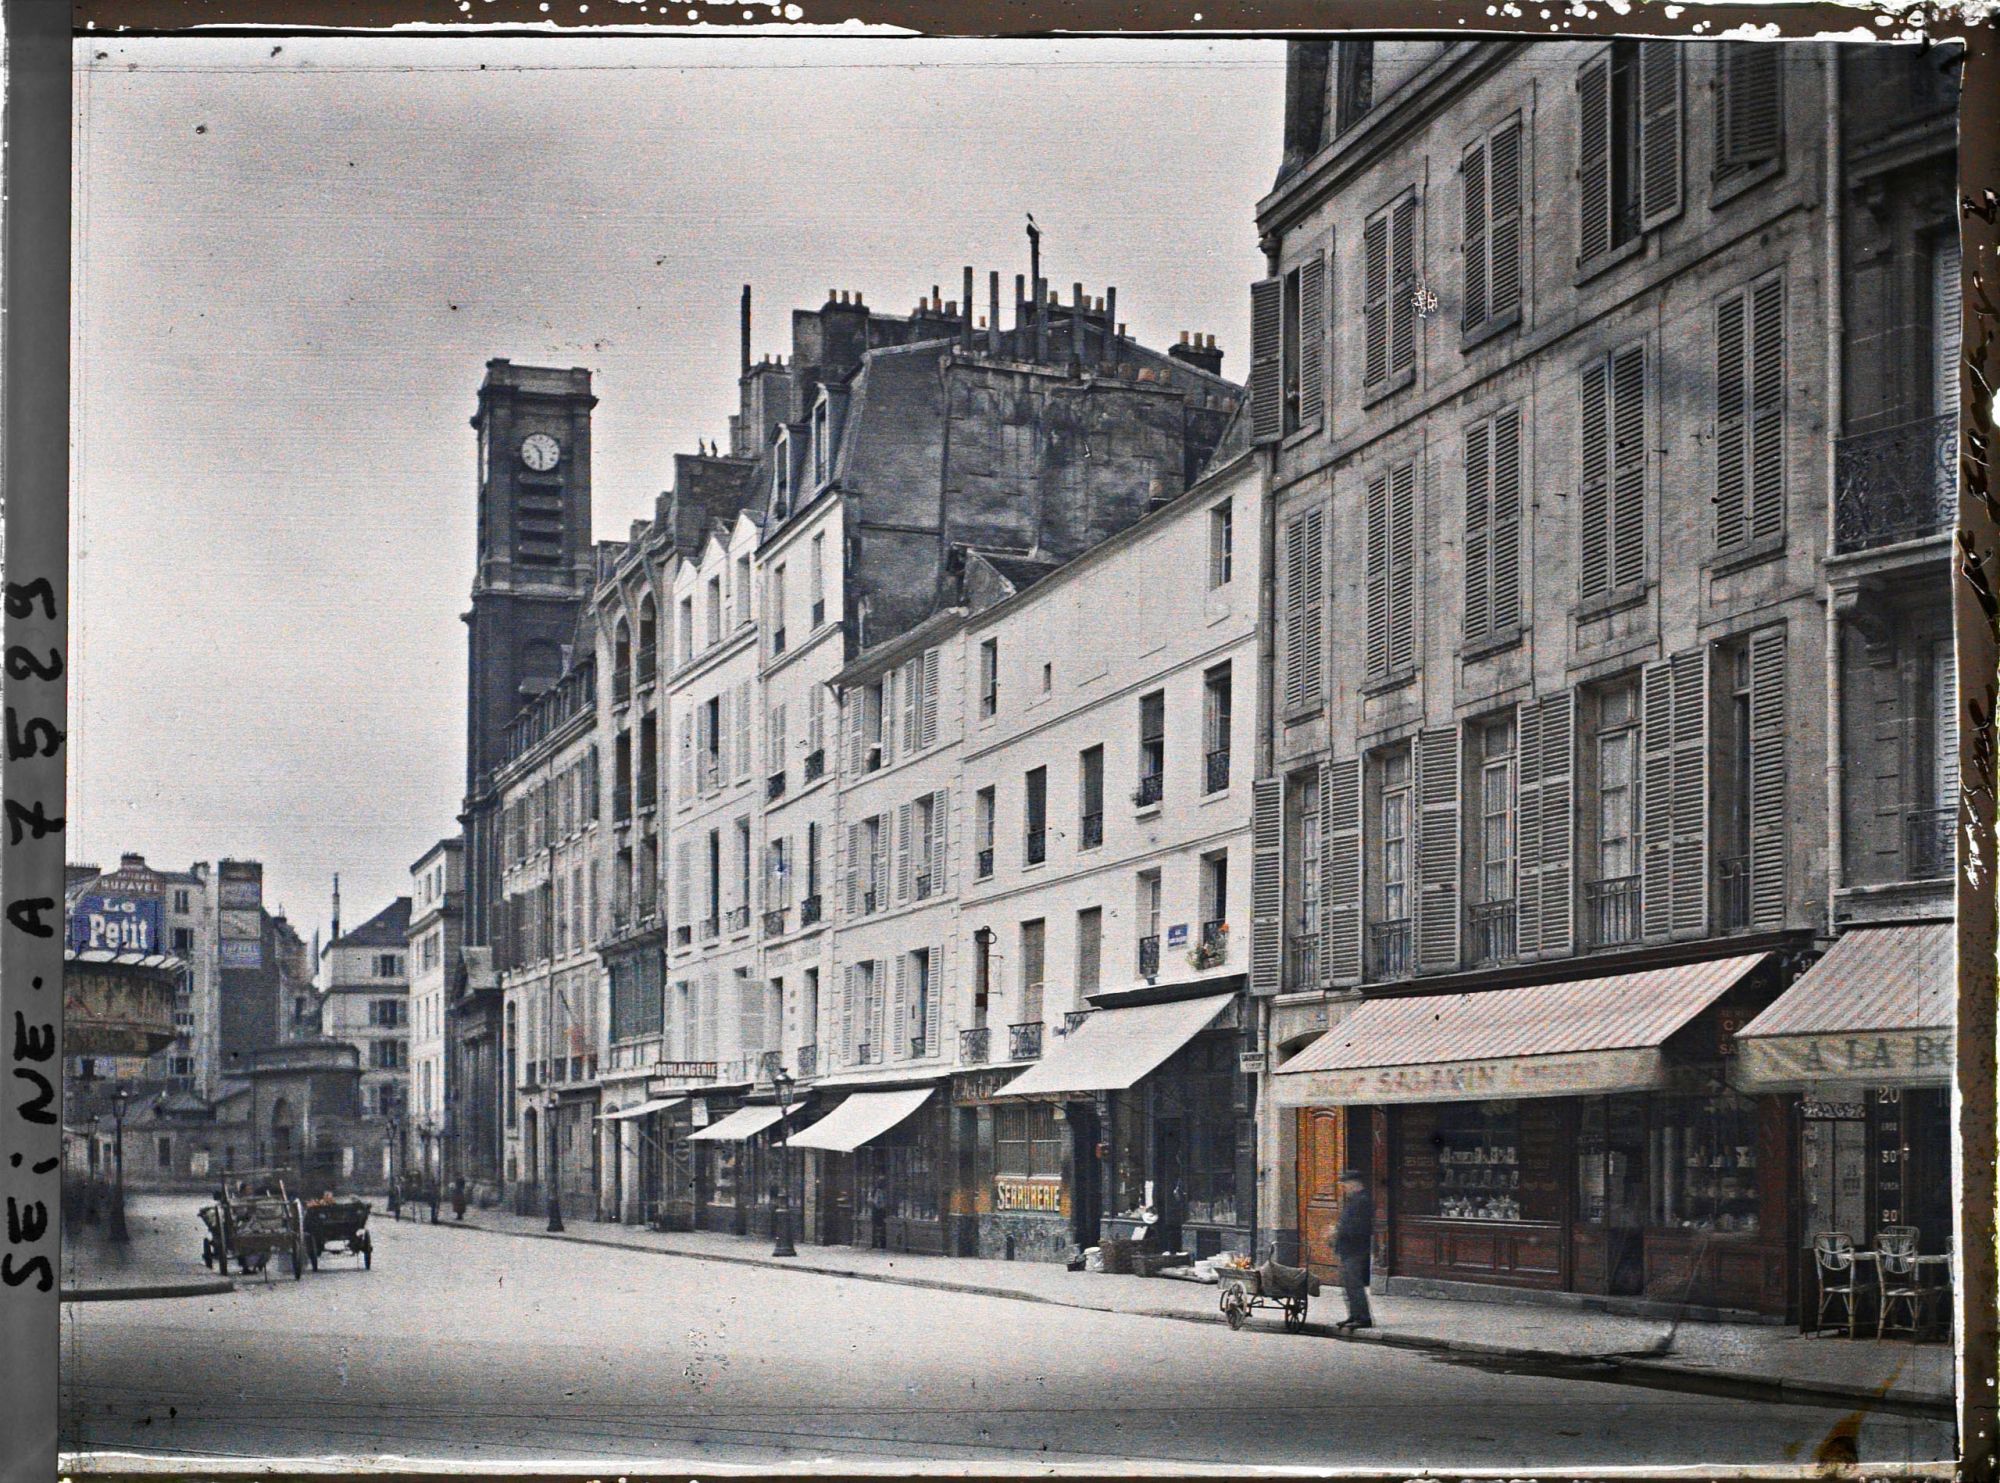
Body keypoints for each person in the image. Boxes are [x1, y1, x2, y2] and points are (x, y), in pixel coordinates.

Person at [1331, 1168, 1374, 1331]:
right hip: (1348, 1247)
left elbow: (1358, 1227)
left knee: (1354, 1283)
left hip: (1355, 1248)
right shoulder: (1354, 1200)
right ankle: (1354, 1315)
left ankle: (1363, 1318)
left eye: (1345, 1184)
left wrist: (1338, 1231)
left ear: (1354, 1183)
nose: (1344, 1188)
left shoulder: (1362, 1201)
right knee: (1348, 1283)